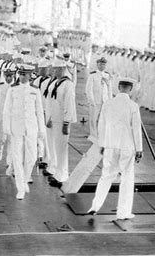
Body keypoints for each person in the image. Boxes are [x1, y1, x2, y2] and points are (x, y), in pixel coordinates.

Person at [87, 77, 143, 220]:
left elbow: (101, 125)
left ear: (118, 87)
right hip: (127, 147)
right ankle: (123, 213)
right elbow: (136, 129)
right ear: (130, 89)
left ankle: (95, 206)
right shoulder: (133, 106)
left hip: (110, 146)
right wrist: (139, 149)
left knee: (106, 177)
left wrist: (102, 144)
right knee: (127, 179)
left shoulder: (108, 104)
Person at [3, 64, 46, 199]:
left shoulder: (35, 90)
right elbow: (6, 110)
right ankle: (20, 188)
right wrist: (6, 128)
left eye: (24, 74)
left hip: (31, 128)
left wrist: (41, 130)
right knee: (17, 156)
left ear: (29, 75)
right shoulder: (12, 89)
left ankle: (25, 179)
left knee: (32, 157)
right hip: (16, 127)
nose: (21, 76)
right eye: (20, 74)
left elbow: (39, 112)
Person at [45, 59, 77, 186]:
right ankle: (56, 172)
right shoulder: (55, 82)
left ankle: (62, 176)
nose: (53, 71)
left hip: (63, 121)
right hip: (55, 119)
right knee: (56, 147)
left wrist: (66, 122)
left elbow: (69, 105)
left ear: (61, 69)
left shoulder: (67, 84)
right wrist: (49, 118)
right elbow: (52, 102)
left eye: (55, 69)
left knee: (62, 149)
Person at [85, 56, 112, 143]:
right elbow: (88, 89)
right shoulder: (92, 75)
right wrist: (91, 100)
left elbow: (110, 89)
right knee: (93, 119)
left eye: (104, 64)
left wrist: (110, 100)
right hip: (95, 101)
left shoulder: (107, 75)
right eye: (100, 64)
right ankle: (93, 135)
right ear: (97, 65)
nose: (102, 66)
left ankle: (101, 135)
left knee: (103, 119)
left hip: (105, 101)